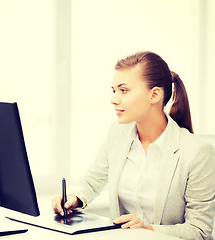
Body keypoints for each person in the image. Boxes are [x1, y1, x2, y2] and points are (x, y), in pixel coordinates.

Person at [52, 51, 215, 240]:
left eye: (124, 90)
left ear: (154, 94)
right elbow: (92, 179)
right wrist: (74, 197)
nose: (114, 99)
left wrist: (147, 230)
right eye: (114, 90)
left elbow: (199, 230)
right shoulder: (118, 133)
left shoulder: (198, 153)